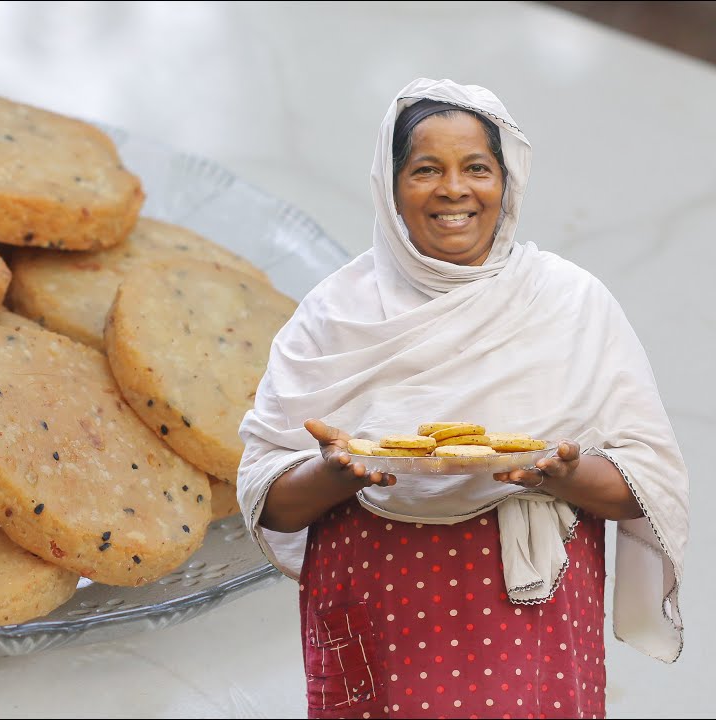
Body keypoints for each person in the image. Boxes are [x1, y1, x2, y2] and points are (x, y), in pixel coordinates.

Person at [237, 78, 688, 719]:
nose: (454, 189)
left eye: (476, 167)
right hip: (376, 612)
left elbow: (648, 486)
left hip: (531, 618)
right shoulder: (333, 315)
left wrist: (564, 473)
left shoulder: (569, 302)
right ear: (391, 185)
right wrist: (334, 473)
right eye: (426, 169)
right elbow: (269, 501)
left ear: (507, 181)